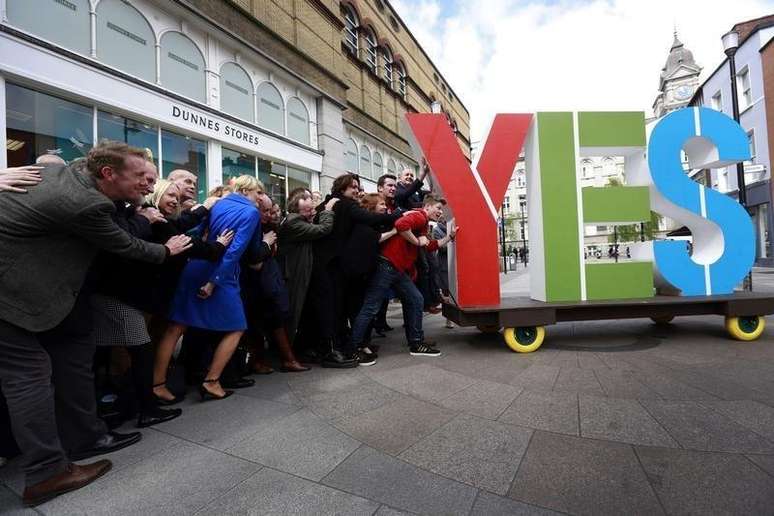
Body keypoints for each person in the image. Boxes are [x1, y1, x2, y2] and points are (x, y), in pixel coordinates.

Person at [0, 141, 192, 506]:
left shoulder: (64, 171)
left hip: (44, 297)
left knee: (65, 360)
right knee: (29, 376)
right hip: (10, 298)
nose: (150, 186)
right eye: (141, 178)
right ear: (108, 174)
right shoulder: (89, 204)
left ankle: (82, 438)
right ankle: (47, 472)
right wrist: (168, 250)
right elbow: (127, 245)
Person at [153, 175, 261, 402]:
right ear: (247, 191)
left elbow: (196, 231)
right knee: (237, 326)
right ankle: (211, 381)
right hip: (219, 273)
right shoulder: (251, 212)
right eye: (258, 193)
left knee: (176, 327)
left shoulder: (218, 203)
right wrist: (214, 281)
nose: (259, 198)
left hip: (196, 265)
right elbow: (235, 251)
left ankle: (157, 383)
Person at [349, 195, 457, 358]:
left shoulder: (423, 221)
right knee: (371, 307)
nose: (440, 212)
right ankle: (354, 348)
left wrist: (449, 237)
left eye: (441, 209)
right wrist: (416, 241)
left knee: (416, 299)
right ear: (427, 206)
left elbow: (429, 246)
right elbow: (401, 225)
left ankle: (416, 343)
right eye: (438, 208)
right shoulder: (419, 216)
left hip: (395, 268)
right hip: (388, 266)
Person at [309, 173, 399, 368]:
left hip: (330, 264)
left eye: (357, 187)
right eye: (353, 187)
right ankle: (334, 351)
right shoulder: (345, 204)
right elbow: (368, 217)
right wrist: (397, 216)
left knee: (337, 308)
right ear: (343, 188)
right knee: (335, 309)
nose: (357, 190)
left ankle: (337, 347)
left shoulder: (330, 203)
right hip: (333, 265)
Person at [341, 193, 398, 365]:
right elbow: (377, 238)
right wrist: (395, 230)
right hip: (354, 276)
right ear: (371, 206)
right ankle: (355, 348)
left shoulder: (371, 223)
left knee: (365, 310)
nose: (384, 206)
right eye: (381, 204)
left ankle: (364, 344)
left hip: (364, 274)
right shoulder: (363, 226)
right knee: (359, 311)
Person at [277, 188, 336, 354]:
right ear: (298, 205)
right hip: (294, 275)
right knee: (294, 313)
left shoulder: (296, 219)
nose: (312, 210)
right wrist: (328, 212)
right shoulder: (293, 222)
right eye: (308, 208)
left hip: (297, 273)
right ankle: (289, 353)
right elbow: (322, 230)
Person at [432, 215, 455, 329]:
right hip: (444, 265)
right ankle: (449, 319)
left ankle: (451, 317)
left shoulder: (453, 228)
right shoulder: (437, 231)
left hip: (453, 264)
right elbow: (442, 248)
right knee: (447, 292)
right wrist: (451, 239)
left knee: (453, 292)